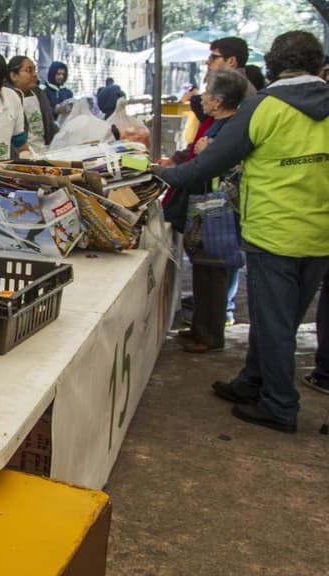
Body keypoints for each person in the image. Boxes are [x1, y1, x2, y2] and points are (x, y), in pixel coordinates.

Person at [153, 31, 329, 433]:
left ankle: (280, 405)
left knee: (274, 325)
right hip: (321, 233)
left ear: (271, 64)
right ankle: (252, 382)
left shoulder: (264, 108)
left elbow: (208, 164)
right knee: (282, 319)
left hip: (274, 232)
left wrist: (163, 173)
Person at [164, 69, 250, 354]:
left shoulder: (231, 130)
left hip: (219, 212)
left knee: (213, 271)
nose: (203, 98)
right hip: (206, 208)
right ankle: (201, 327)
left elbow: (214, 165)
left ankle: (211, 335)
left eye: (208, 94)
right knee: (202, 270)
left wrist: (170, 171)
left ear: (219, 101)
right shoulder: (217, 123)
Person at [5, 55, 58, 152]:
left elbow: (50, 125)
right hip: (21, 157)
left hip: (44, 151)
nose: (34, 74)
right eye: (29, 70)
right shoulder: (7, 98)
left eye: (34, 70)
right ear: (13, 76)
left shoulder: (39, 94)